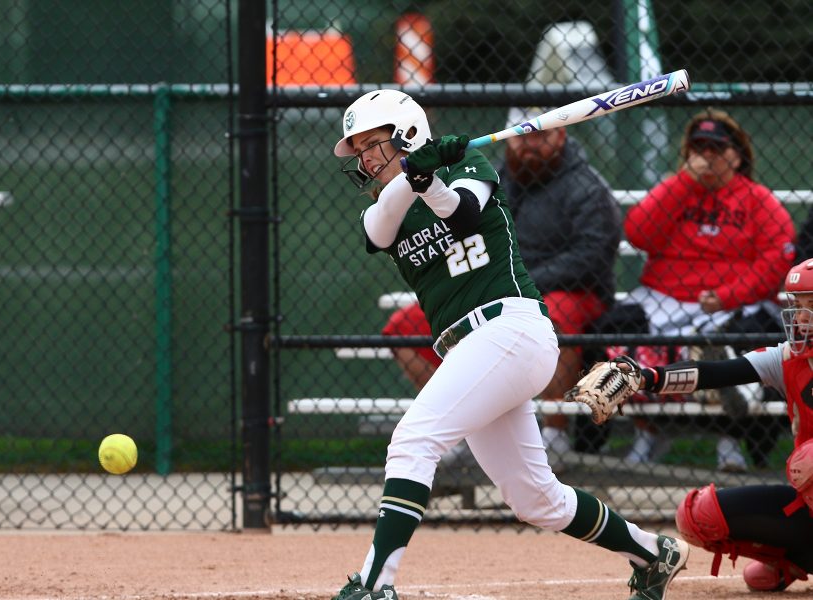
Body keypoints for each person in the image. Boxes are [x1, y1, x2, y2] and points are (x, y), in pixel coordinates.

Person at [331, 88, 688, 600]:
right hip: (470, 349)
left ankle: (374, 583)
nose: (364, 158)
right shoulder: (380, 208)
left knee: (413, 441)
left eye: (372, 144)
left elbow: (463, 214)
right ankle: (654, 553)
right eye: (359, 149)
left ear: (405, 133)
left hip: (510, 329)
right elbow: (384, 223)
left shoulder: (471, 163)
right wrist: (416, 177)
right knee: (536, 499)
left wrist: (430, 178)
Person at [381, 106, 621, 458]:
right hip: (492, 290)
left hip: (570, 291)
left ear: (561, 137)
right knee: (403, 327)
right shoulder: (488, 176)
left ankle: (554, 432)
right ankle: (462, 427)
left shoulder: (585, 186)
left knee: (558, 313)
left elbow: (593, 254)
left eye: (541, 136)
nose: (529, 146)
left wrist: (525, 282)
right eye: (522, 138)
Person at [590, 258, 813, 592]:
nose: (799, 317)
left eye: (810, 305)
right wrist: (646, 378)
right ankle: (795, 558)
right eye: (797, 305)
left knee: (809, 460)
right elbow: (713, 373)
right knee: (700, 517)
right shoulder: (787, 358)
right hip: (807, 499)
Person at [620, 108, 795, 471]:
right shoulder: (676, 189)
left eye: (717, 147)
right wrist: (683, 181)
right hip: (664, 299)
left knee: (740, 343)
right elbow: (638, 233)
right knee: (615, 323)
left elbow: (776, 262)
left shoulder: (756, 199)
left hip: (730, 304)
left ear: (736, 154)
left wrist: (729, 295)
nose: (708, 155)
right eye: (699, 147)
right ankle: (648, 431)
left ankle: (728, 441)